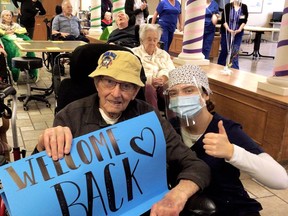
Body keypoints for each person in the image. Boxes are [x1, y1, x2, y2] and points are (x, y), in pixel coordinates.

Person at [32, 50, 211, 216]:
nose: (116, 93)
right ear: (97, 84)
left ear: (135, 92)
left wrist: (177, 195)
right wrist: (42, 145)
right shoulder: (70, 116)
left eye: (126, 86)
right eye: (109, 82)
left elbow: (196, 166)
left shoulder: (149, 117)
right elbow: (41, 184)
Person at [166, 64, 288, 216]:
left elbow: (281, 179)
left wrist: (232, 152)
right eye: (173, 93)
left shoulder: (226, 130)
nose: (180, 98)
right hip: (191, 207)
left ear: (205, 94)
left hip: (231, 208)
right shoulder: (170, 129)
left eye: (189, 90)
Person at [132, 24, 174, 110]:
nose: (152, 42)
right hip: (142, 87)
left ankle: (174, 119)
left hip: (161, 84)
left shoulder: (163, 54)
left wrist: (163, 77)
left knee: (169, 88)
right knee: (149, 88)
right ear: (142, 40)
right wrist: (151, 80)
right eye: (149, 39)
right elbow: (133, 73)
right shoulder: (134, 53)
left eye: (155, 40)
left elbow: (171, 69)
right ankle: (155, 119)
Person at [0, 10, 38, 82]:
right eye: (7, 15)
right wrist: (5, 32)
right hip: (7, 42)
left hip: (18, 40)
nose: (9, 17)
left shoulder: (15, 25)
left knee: (28, 48)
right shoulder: (0, 25)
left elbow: (23, 30)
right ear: (2, 17)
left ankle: (32, 70)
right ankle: (14, 71)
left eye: (10, 15)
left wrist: (14, 31)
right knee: (13, 49)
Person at [217, 0, 248, 69]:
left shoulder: (244, 7)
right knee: (224, 50)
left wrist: (239, 29)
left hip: (238, 33)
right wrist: (228, 29)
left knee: (235, 51)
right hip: (226, 32)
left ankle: (235, 69)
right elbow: (224, 20)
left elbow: (244, 20)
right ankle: (219, 67)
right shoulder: (228, 6)